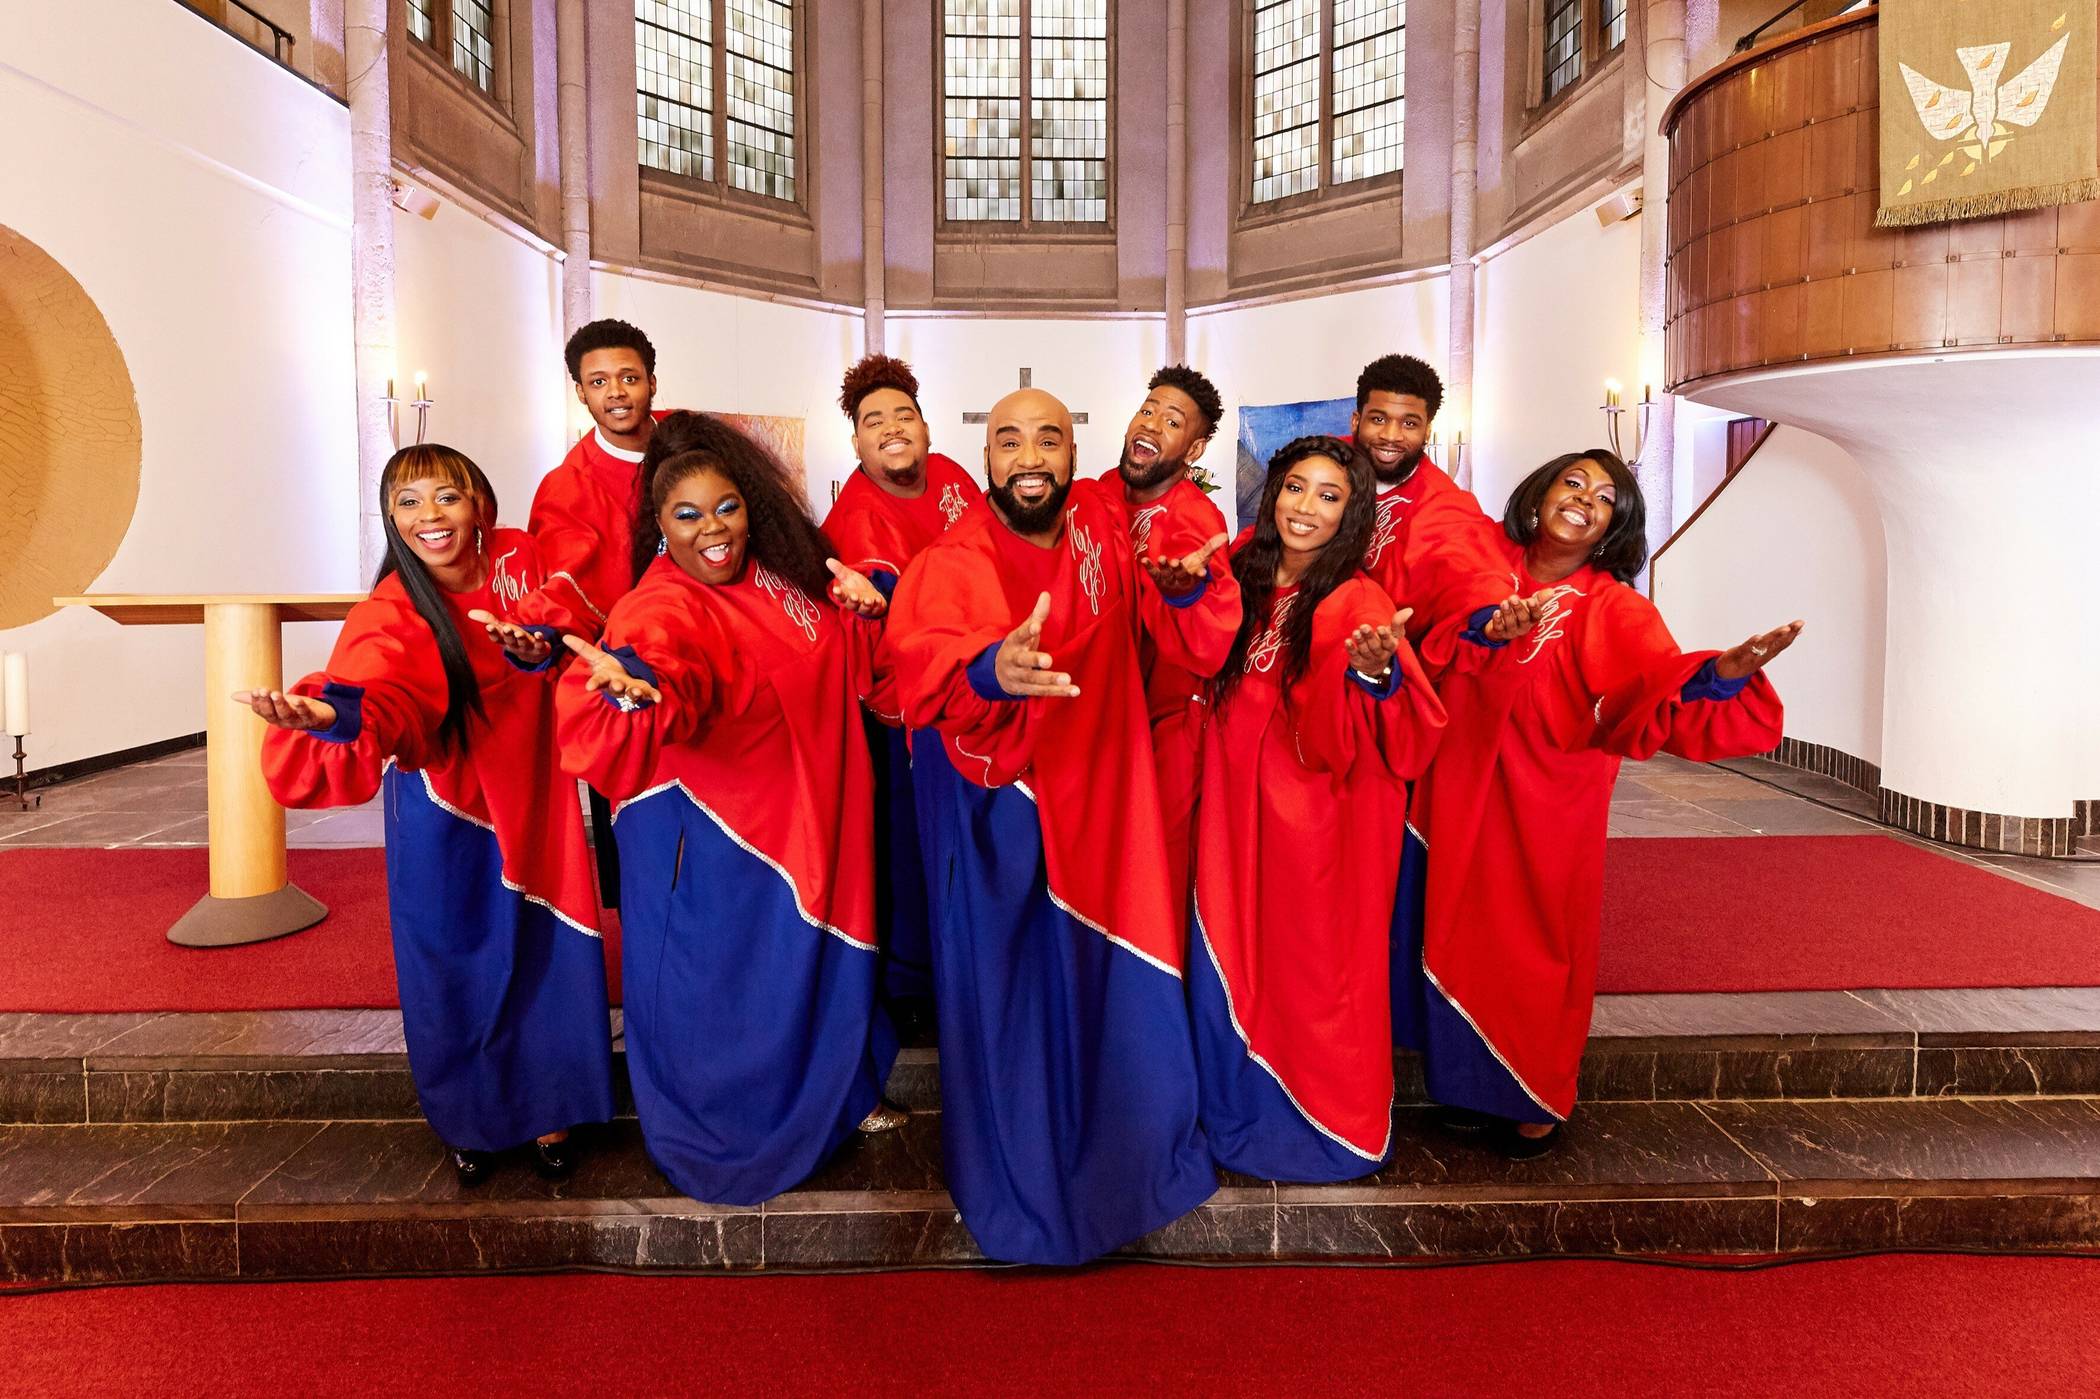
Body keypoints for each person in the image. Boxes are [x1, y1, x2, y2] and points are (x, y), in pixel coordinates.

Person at [883, 386, 1234, 1265]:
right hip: (1001, 821)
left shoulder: (1104, 532)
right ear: (987, 459)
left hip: (1105, 806)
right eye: (1009, 441)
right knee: (1016, 1008)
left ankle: (1123, 1165)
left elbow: (1182, 637)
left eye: (1048, 438)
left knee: (1108, 993)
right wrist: (994, 670)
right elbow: (921, 667)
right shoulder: (956, 556)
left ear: (1074, 453)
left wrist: (1186, 593)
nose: (1030, 457)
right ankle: (1029, 1187)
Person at [1393, 449, 1800, 1157]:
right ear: (1540, 492)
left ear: (1616, 525)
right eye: (1572, 481)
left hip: (1546, 802)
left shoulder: (1612, 605)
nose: (1584, 498)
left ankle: (1533, 1092)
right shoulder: (1482, 563)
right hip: (1450, 788)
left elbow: (1653, 686)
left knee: (1531, 944)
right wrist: (1476, 628)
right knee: (1445, 927)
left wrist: (1717, 675)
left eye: (1605, 497)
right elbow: (1421, 632)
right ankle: (1465, 1084)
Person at [551, 417, 904, 1207]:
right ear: (658, 528)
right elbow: (666, 662)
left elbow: (840, 658)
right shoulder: (661, 604)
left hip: (817, 809)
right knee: (727, 986)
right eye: (688, 515)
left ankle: (833, 1097)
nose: (713, 530)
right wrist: (640, 686)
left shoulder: (777, 574)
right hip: (726, 837)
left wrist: (865, 610)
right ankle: (726, 1133)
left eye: (728, 507)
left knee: (813, 967)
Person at [241, 445, 612, 1185]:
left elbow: (574, 614)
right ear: (389, 516)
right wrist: (335, 712)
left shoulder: (521, 556)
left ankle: (552, 1107)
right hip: (450, 801)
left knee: (548, 945)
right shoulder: (393, 606)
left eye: (446, 495)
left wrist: (542, 644)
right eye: (408, 501)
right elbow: (376, 684)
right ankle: (470, 1116)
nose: (429, 516)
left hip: (537, 786)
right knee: (454, 953)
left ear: (479, 501)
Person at [1189, 436, 1447, 1182]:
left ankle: (1330, 1123)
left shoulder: (1356, 599)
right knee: (1233, 952)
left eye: (1328, 495)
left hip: (1319, 825)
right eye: (1295, 488)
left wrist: (1375, 674)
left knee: (1315, 971)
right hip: (1234, 812)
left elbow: (1413, 729)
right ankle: (1235, 1106)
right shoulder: (1242, 570)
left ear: (1352, 511)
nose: (1305, 507)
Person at [819, 354, 983, 1005]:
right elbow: (868, 597)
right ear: (856, 440)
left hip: (976, 686)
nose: (892, 428)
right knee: (912, 854)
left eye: (903, 414)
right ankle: (920, 990)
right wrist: (874, 606)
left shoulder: (950, 477)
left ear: (926, 426)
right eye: (873, 420)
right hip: (907, 715)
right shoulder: (856, 516)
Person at [517, 318, 671, 906]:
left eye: (629, 377)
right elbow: (561, 578)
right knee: (638, 845)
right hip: (626, 664)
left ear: (651, 382)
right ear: (580, 392)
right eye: (598, 381)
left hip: (712, 647)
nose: (616, 392)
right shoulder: (568, 485)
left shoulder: (691, 444)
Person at [1079, 364, 1241, 920]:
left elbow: (1212, 642)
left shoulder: (1196, 520)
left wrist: (1183, 596)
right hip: (1092, 720)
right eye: (1148, 410)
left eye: (1171, 421)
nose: (1150, 424)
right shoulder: (1096, 493)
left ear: (1192, 450)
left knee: (1153, 883)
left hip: (1162, 729)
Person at [1346, 354, 1504, 644]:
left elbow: (1473, 571)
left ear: (1427, 432)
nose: (1391, 436)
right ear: (1356, 421)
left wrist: (1492, 619)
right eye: (1379, 419)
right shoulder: (1323, 464)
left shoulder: (1442, 500)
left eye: (1409, 423)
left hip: (1386, 647)